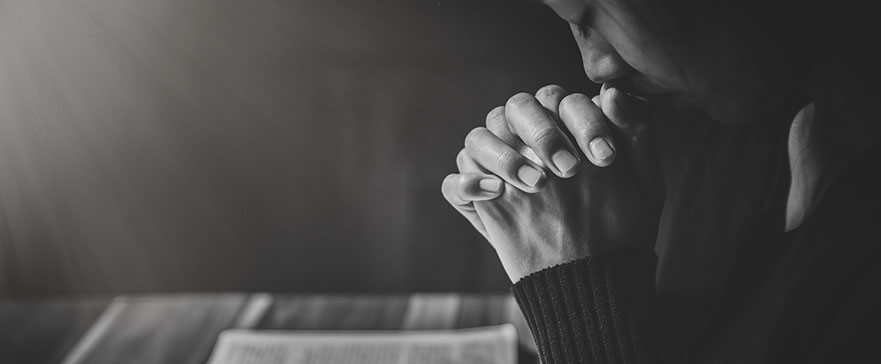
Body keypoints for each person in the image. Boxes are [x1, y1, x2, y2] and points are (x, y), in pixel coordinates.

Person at [441, 0, 881, 362]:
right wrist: (561, 238)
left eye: (591, 11)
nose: (595, 66)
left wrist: (572, 291)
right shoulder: (734, 132)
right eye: (573, 23)